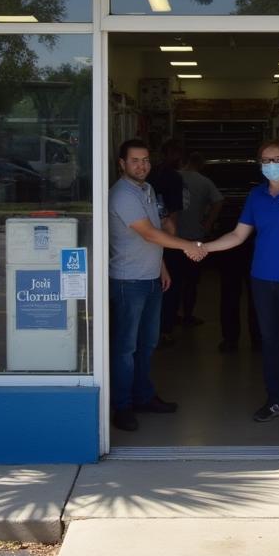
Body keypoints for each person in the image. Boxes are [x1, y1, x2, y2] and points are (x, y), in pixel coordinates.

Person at [204, 138, 279, 424]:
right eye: (266, 160)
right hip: (261, 280)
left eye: (277, 160)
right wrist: (203, 247)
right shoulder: (256, 197)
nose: (271, 165)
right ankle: (276, 400)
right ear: (260, 164)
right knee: (269, 341)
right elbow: (237, 236)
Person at [109, 138, 205, 432]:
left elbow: (158, 231)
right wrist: (187, 246)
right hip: (128, 281)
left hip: (150, 278)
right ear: (122, 164)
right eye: (135, 160)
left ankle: (143, 396)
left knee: (147, 344)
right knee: (126, 348)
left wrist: (161, 265)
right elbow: (149, 234)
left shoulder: (147, 189)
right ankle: (122, 406)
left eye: (146, 160)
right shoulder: (122, 195)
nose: (142, 165)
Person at [174, 152, 224, 327]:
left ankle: (171, 317)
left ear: (184, 161)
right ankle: (188, 315)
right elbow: (218, 201)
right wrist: (209, 222)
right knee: (191, 281)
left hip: (172, 238)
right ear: (201, 165)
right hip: (195, 237)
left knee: (174, 280)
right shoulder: (204, 182)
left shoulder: (174, 177)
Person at [147, 139, 186, 345]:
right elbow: (174, 214)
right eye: (177, 154)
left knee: (157, 284)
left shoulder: (150, 175)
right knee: (170, 284)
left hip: (147, 238)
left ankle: (155, 329)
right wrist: (175, 240)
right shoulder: (174, 178)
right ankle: (165, 329)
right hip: (166, 237)